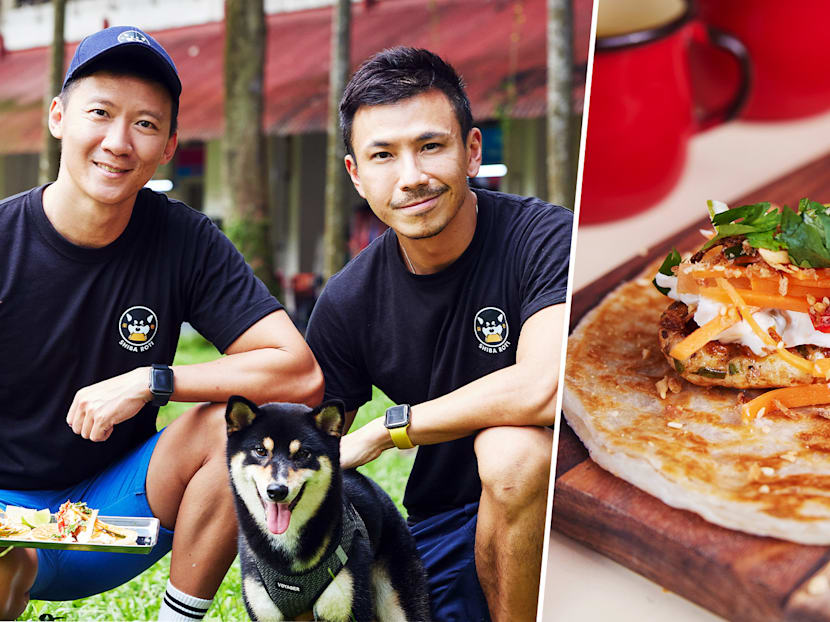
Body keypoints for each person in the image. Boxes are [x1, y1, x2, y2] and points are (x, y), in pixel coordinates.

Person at [0, 26, 323, 621]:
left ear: (170, 144)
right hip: (2, 516)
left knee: (235, 428)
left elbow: (298, 375)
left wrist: (152, 380)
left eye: (145, 124)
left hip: (112, 517)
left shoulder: (184, 239)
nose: (118, 142)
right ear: (58, 117)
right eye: (99, 113)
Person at [305, 47, 572, 622]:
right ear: (356, 174)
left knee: (514, 451)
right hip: (443, 524)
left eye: (431, 146)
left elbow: (545, 388)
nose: (412, 178)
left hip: (567, 509)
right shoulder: (349, 301)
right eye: (383, 155)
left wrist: (388, 429)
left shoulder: (545, 238)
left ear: (471, 151)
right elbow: (309, 449)